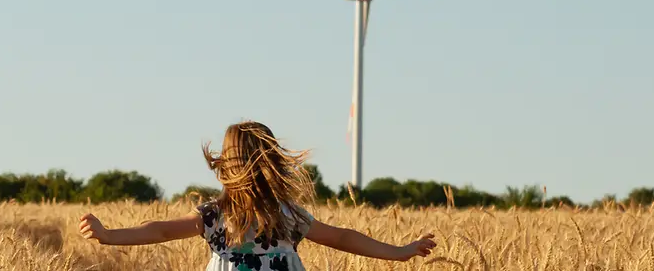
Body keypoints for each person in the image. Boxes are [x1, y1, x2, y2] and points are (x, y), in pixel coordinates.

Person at [77, 121, 435, 271]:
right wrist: (109, 236)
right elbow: (159, 231)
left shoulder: (285, 216)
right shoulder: (219, 216)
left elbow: (341, 237)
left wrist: (401, 253)